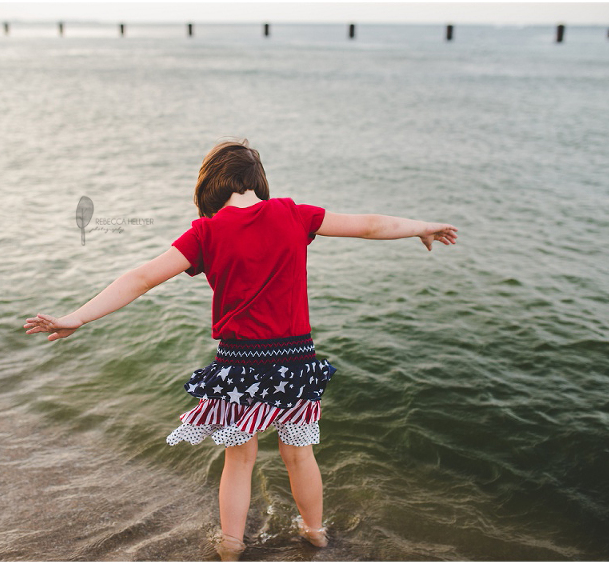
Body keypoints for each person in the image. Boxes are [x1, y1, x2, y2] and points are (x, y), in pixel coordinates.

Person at [23, 139, 458, 561]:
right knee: (299, 454)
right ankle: (316, 536)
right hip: (296, 361)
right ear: (257, 181)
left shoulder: (206, 233)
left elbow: (141, 278)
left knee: (239, 459)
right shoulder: (292, 213)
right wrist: (424, 226)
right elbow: (369, 225)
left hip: (240, 364)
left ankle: (231, 545)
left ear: (211, 184)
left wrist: (77, 316)